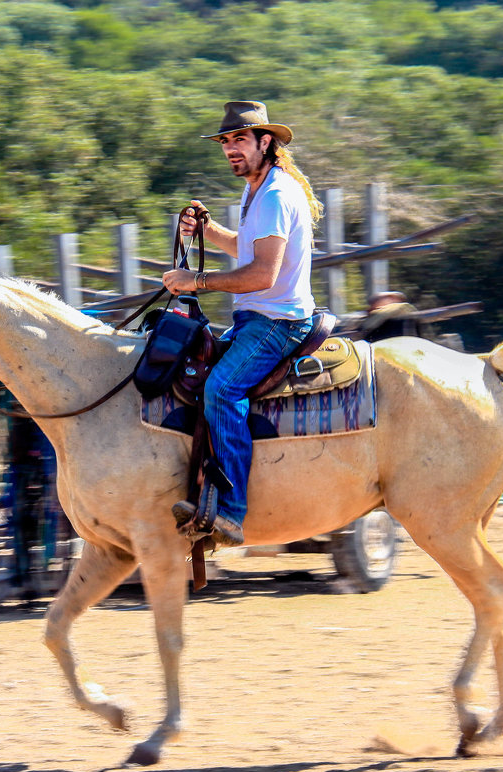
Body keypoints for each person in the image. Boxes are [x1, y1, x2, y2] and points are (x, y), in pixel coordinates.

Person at [162, 100, 323, 546]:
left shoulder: (273, 194)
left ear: (265, 142)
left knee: (221, 388)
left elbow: (262, 275)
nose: (231, 149)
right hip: (257, 317)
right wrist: (209, 231)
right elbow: (247, 252)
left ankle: (231, 512)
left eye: (240, 140)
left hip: (277, 322)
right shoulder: (257, 189)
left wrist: (195, 280)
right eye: (226, 142)